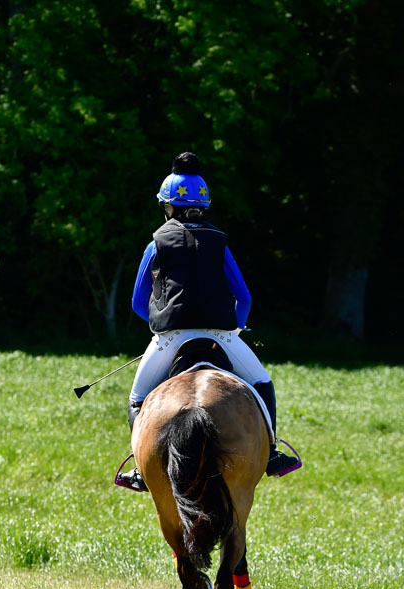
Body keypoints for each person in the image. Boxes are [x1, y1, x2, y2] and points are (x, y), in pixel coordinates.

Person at [119, 152, 298, 491]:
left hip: (169, 337)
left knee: (138, 399)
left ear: (167, 206)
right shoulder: (219, 241)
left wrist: (159, 328)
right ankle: (272, 454)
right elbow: (242, 296)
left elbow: (138, 302)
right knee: (262, 384)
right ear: (202, 205)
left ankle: (141, 471)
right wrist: (236, 330)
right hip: (222, 334)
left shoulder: (156, 242)